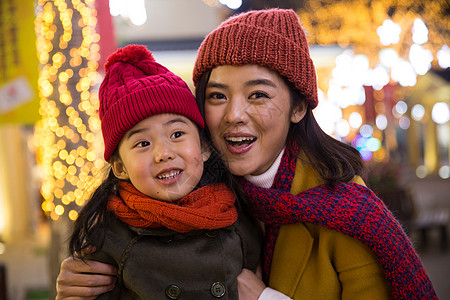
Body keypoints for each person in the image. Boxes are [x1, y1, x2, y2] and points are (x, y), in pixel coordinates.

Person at [56, 9, 437, 300]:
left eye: (258, 94)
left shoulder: (346, 213)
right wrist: (79, 287)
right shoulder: (188, 196)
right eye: (217, 96)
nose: (234, 115)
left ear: (298, 107)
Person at [64, 44, 261, 299]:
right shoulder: (108, 233)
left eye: (177, 134)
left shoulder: (234, 210)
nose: (163, 153)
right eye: (143, 144)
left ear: (203, 148)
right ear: (121, 167)